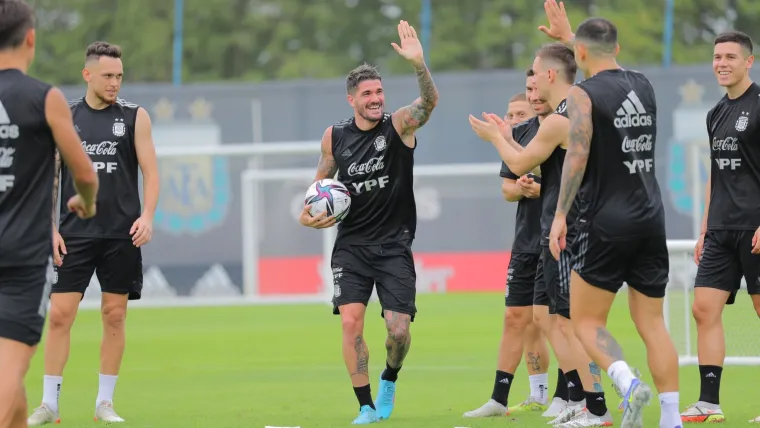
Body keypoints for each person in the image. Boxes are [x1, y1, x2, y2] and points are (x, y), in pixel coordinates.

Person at [297, 20, 438, 425]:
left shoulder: (399, 126)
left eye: (379, 92)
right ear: (351, 99)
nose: (376, 99)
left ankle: (389, 378)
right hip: (352, 247)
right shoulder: (334, 137)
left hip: (394, 246)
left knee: (397, 332)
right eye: (367, 94)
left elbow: (429, 103)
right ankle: (365, 406)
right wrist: (308, 215)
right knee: (352, 322)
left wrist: (418, 66)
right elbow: (318, 187)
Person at [469, 43, 613, 427]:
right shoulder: (581, 109)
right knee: (550, 319)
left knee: (569, 322)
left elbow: (519, 163)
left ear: (550, 75)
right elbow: (529, 167)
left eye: (535, 74)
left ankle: (602, 396)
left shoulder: (562, 117)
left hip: (569, 231)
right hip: (564, 228)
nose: (532, 84)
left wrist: (496, 138)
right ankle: (585, 399)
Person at [547, 17, 681, 428]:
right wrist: (573, 36)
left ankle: (625, 381)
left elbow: (578, 153)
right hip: (651, 218)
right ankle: (671, 419)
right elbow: (600, 61)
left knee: (586, 322)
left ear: (580, 53)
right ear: (617, 48)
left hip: (606, 221)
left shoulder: (580, 95)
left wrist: (560, 213)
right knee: (653, 323)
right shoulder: (644, 83)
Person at [27, 41, 159, 425]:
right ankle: (49, 403)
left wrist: (148, 215)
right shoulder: (65, 116)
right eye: (107, 76)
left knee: (114, 315)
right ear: (87, 74)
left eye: (119, 76)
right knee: (60, 315)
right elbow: (48, 175)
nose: (115, 82)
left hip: (122, 235)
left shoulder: (135, 116)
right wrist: (49, 226)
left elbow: (151, 172)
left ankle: (104, 403)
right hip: (73, 235)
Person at [0, 1, 99, 427]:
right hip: (21, 257)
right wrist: (86, 203)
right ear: (31, 38)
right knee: (9, 371)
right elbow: (86, 175)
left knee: (14, 385)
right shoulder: (45, 98)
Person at [464, 77, 561, 419]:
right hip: (525, 242)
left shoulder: (563, 127)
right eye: (528, 92)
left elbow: (568, 177)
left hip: (558, 238)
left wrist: (541, 187)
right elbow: (508, 188)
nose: (533, 99)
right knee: (515, 317)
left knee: (552, 320)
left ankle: (567, 394)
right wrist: (522, 188)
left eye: (536, 93)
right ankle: (499, 398)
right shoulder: (519, 135)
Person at [680, 30, 760, 424]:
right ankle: (708, 403)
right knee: (703, 308)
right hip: (722, 230)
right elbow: (715, 174)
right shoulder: (715, 113)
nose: (722, 63)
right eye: (716, 57)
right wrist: (705, 228)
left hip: (756, 228)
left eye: (730, 56)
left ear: (749, 61)